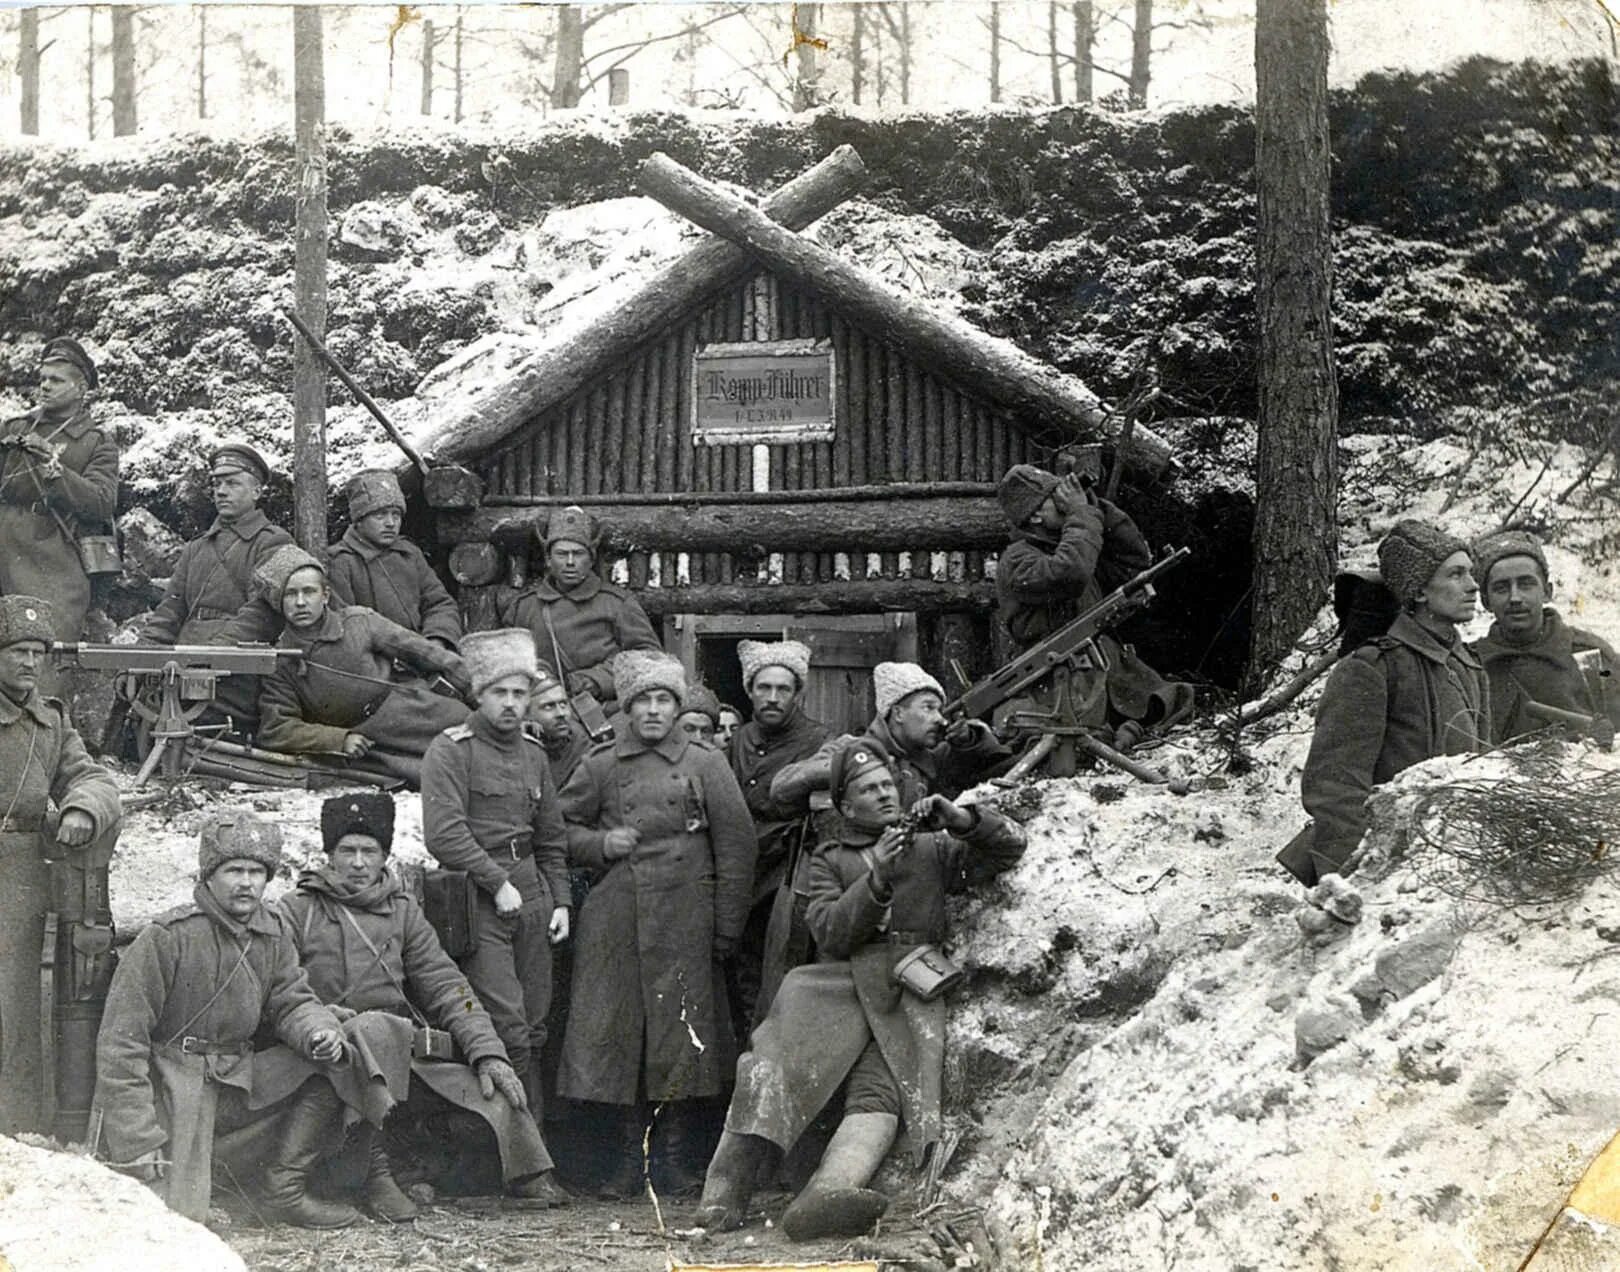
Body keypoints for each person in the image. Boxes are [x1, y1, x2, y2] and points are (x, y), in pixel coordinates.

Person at [697, 742, 1026, 1237]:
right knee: (768, 1068)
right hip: (835, 986)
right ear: (846, 807)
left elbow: (1009, 847)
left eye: (888, 785)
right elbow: (828, 930)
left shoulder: (933, 846)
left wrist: (959, 818)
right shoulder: (828, 859)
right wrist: (875, 881)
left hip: (906, 989)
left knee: (881, 1096)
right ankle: (721, 1194)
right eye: (869, 790)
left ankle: (824, 1194)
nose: (884, 795)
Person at [279, 792, 567, 1217]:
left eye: (369, 851)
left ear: (384, 856)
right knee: (367, 1031)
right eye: (347, 851)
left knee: (493, 1095)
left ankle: (527, 1172)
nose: (358, 863)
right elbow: (285, 988)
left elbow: (446, 984)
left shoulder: (402, 912)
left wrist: (487, 1052)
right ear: (329, 855)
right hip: (327, 1053)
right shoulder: (297, 910)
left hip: (400, 1053)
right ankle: (379, 1177)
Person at [90, 810, 356, 1227]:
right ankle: (202, 1180)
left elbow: (291, 999)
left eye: (256, 871)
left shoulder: (272, 934)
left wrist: (317, 1030)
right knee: (168, 1216)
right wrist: (136, 1137)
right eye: (234, 870)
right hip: (175, 1085)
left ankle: (280, 1190)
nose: (246, 882)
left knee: (331, 1069)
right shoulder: (169, 936)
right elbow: (122, 1042)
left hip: (235, 1079)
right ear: (209, 875)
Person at [557, 650, 757, 1197]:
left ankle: (670, 1161)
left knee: (679, 1042)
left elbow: (737, 846)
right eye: (642, 700)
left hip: (685, 920)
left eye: (663, 699)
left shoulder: (705, 762)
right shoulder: (601, 763)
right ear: (626, 707)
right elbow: (556, 829)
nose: (652, 711)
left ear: (676, 706)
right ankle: (626, 1162)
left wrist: (725, 927)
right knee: (618, 1039)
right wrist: (600, 843)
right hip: (618, 919)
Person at [421, 629, 573, 1138]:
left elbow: (551, 837)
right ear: (478, 695)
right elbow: (444, 834)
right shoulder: (450, 751)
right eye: (499, 693)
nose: (510, 704)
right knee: (504, 1025)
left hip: (532, 895)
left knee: (534, 1025)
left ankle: (535, 1147)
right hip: (479, 902)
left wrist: (561, 902)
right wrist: (494, 880)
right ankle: (519, 1158)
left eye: (519, 694)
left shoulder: (534, 755)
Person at [1283, 519, 1490, 885]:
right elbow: (1335, 788)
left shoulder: (1469, 665)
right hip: (1389, 864)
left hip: (1453, 860)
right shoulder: (1372, 668)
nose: (1473, 585)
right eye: (1456, 574)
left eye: (1470, 573)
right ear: (1420, 591)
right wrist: (1354, 878)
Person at [0, 595, 122, 1134]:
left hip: (22, 880)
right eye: (16, 651)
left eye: (37, 652)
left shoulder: (48, 722)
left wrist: (80, 808)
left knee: (19, 1004)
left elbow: (94, 778)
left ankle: (16, 1124)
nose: (28, 662)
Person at [995, 458, 1194, 748]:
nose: (1066, 503)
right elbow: (1071, 574)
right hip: (1053, 676)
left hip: (1101, 665)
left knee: (1171, 700)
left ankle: (1125, 732)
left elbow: (1133, 562)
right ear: (1035, 516)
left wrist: (1094, 507)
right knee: (1075, 735)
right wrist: (1079, 513)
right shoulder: (1017, 559)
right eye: (1056, 500)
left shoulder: (1074, 543)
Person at [255, 546, 472, 784]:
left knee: (474, 736)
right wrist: (338, 739)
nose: (300, 602)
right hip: (369, 742)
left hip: (413, 709)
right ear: (279, 602)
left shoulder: (359, 622)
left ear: (325, 596)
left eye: (309, 592)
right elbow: (276, 729)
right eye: (290, 594)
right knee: (434, 775)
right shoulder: (281, 660)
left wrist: (478, 689)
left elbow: (426, 653)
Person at [139, 443, 292, 727]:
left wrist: (210, 654)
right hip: (182, 663)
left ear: (257, 491)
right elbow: (170, 609)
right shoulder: (196, 548)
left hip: (235, 670)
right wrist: (142, 653)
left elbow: (261, 614)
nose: (221, 491)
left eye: (232, 483)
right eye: (217, 484)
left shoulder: (272, 542)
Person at [726, 639, 829, 1026]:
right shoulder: (738, 741)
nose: (772, 698)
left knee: (784, 968)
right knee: (741, 969)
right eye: (763, 688)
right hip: (741, 872)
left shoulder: (820, 741)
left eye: (783, 689)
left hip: (787, 874)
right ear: (749, 691)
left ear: (798, 694)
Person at [0, 338, 119, 645]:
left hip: (51, 561)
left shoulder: (95, 442)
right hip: (4, 543)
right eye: (42, 379)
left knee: (44, 655)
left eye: (56, 380)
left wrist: (56, 472)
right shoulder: (14, 429)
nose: (45, 386)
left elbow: (102, 503)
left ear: (80, 389)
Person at [771, 661, 1008, 814]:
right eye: (928, 707)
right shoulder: (851, 747)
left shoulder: (935, 758)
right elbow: (781, 789)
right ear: (898, 713)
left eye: (939, 710)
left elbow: (1000, 765)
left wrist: (970, 739)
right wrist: (852, 766)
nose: (940, 719)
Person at [496, 505, 660, 706]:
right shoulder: (524, 607)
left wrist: (595, 680)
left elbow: (648, 658)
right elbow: (505, 663)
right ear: (548, 559)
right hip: (540, 708)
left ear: (591, 559)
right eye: (562, 554)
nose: (570, 562)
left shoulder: (617, 604)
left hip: (603, 710)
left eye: (578, 553)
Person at [1470, 530, 1619, 744]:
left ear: (1547, 592)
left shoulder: (1591, 656)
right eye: (1501, 588)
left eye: (1526, 584)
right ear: (1485, 602)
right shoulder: (1471, 665)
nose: (1515, 598)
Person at [326, 469, 461, 649]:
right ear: (359, 520)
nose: (390, 523)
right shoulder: (340, 562)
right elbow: (348, 627)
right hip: (376, 663)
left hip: (426, 651)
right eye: (379, 515)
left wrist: (436, 640)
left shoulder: (409, 553)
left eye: (395, 514)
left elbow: (439, 603)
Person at [528, 664, 593, 786]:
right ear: (526, 714)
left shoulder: (580, 742)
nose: (561, 713)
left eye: (563, 704)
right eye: (548, 707)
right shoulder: (516, 751)